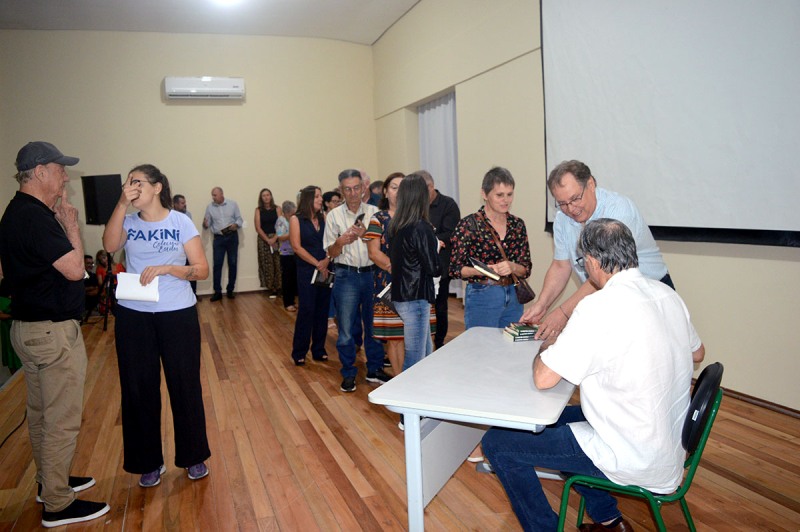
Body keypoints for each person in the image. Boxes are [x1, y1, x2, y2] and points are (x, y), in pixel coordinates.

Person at [482, 218, 705, 531]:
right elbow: (698, 353)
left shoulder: (598, 307)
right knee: (555, 421)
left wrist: (548, 344)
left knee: (497, 443)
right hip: (666, 442)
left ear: (592, 261)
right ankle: (610, 521)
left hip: (632, 453)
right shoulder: (667, 295)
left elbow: (543, 379)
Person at [0, 141, 109, 527]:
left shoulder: (17, 213)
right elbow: (74, 269)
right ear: (40, 172)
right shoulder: (35, 217)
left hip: (29, 329)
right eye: (61, 169)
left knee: (42, 416)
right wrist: (70, 225)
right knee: (61, 419)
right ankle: (58, 503)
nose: (65, 176)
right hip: (50, 334)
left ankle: (51, 482)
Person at [103, 163, 211, 488]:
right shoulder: (128, 221)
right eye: (127, 183)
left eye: (137, 182)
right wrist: (121, 204)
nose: (130, 187)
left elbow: (201, 270)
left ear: (157, 187)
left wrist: (169, 268)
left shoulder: (180, 222)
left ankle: (193, 457)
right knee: (138, 390)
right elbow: (109, 246)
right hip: (134, 316)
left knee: (184, 385)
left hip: (177, 314)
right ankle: (148, 462)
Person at [522, 159, 672, 341]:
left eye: (575, 198)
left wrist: (563, 313)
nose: (571, 208)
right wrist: (542, 305)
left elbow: (606, 272)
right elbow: (561, 266)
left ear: (591, 184)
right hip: (605, 297)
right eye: (562, 203)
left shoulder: (618, 211)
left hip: (649, 295)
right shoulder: (562, 219)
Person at [324, 169, 391, 393]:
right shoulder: (333, 216)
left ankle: (374, 368)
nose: (352, 193)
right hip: (346, 275)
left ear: (363, 188)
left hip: (373, 274)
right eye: (347, 189)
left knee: (374, 326)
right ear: (341, 190)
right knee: (345, 329)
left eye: (356, 188)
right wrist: (341, 242)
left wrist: (365, 237)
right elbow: (330, 253)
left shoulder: (375, 212)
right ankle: (349, 372)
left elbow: (384, 245)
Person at [450, 166, 532, 329]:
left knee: (511, 348)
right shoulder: (468, 225)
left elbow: (526, 269)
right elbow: (454, 269)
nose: (506, 200)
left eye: (510, 194)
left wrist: (512, 266)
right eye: (499, 195)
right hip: (482, 294)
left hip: (514, 295)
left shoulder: (517, 225)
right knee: (481, 349)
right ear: (484, 194)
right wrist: (483, 270)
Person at [388, 174, 441, 370]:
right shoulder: (420, 227)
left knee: (425, 354)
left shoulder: (396, 226)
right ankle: (403, 398)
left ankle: (421, 395)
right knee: (416, 359)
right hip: (416, 297)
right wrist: (435, 248)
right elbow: (433, 267)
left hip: (403, 295)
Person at [364, 173, 407, 375]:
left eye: (403, 187)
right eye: (394, 187)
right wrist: (399, 271)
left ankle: (418, 384)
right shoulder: (378, 219)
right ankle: (400, 383)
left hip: (416, 286)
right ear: (385, 191)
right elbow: (373, 253)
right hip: (388, 282)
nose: (398, 192)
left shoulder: (417, 217)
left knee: (419, 335)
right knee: (395, 337)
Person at [290, 186, 331, 365]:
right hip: (307, 270)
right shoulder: (296, 219)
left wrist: (327, 261)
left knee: (322, 310)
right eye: (317, 196)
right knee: (307, 310)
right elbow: (297, 247)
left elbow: (331, 241)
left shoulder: (324, 218)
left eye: (321, 196)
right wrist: (317, 263)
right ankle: (299, 351)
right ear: (307, 199)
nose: (320, 199)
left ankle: (319, 349)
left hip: (325, 269)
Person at [420, 170, 461, 349]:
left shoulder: (448, 205)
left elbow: (451, 234)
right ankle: (423, 340)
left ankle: (439, 342)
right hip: (419, 265)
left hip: (441, 265)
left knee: (440, 306)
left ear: (431, 186)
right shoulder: (416, 205)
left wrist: (426, 237)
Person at [203, 186, 243, 301]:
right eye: (212, 195)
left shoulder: (233, 204)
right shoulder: (209, 207)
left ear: (221, 194)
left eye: (215, 195)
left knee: (233, 263)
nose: (213, 197)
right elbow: (207, 223)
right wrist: (205, 224)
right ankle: (217, 292)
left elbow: (239, 219)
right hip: (219, 239)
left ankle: (230, 290)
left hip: (232, 237)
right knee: (217, 265)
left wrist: (236, 225)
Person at [255, 188, 283, 298]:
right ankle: (272, 288)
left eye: (268, 195)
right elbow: (258, 227)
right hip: (264, 239)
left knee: (278, 263)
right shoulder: (258, 210)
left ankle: (280, 287)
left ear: (271, 196)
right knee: (267, 264)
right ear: (261, 198)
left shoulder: (277, 208)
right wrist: (268, 240)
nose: (266, 197)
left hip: (277, 238)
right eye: (264, 195)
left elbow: (281, 225)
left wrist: (274, 238)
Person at [276, 200, 297, 311]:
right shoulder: (281, 221)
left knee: (294, 279)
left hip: (295, 252)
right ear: (286, 213)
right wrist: (293, 232)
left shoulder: (293, 220)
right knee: (287, 279)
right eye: (291, 214)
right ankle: (288, 303)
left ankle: (293, 301)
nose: (293, 216)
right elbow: (280, 237)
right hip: (286, 253)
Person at [172, 194, 196, 293]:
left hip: (188, 248)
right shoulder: (169, 215)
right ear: (175, 204)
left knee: (192, 271)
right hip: (176, 249)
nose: (184, 205)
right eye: (182, 203)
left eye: (184, 203)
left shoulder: (188, 215)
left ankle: (193, 293)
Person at [95, 249, 126, 315]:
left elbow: (125, 279)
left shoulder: (119, 266)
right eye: (101, 260)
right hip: (107, 289)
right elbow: (100, 283)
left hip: (119, 289)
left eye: (104, 258)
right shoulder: (99, 268)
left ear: (108, 257)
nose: (103, 261)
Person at [83, 254, 100, 320]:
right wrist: (91, 289)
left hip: (95, 307)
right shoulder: (78, 277)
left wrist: (87, 290)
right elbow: (79, 292)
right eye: (88, 263)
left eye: (92, 263)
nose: (90, 265)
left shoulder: (94, 276)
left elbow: (98, 291)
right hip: (84, 309)